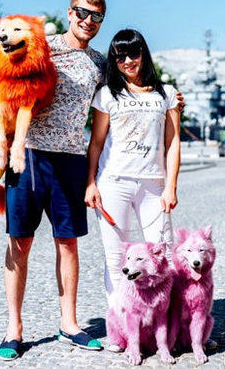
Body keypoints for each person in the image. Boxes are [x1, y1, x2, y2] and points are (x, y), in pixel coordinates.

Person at [0, 0, 107, 360]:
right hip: (26, 156)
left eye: (95, 17)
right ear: (69, 11)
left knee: (68, 243)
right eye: (82, 12)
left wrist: (170, 102)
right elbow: (1, 81)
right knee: (19, 242)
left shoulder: (100, 64)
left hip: (72, 160)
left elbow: (120, 105)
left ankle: (69, 324)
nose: (87, 21)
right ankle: (14, 329)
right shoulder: (42, 46)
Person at [84, 29, 182, 350]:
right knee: (116, 258)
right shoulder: (107, 94)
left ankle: (164, 327)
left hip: (154, 185)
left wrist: (171, 186)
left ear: (144, 53)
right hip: (114, 183)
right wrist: (91, 183)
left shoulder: (166, 93)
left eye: (134, 53)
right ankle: (120, 330)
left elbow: (172, 143)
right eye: (120, 56)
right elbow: (96, 143)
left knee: (161, 252)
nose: (128, 61)